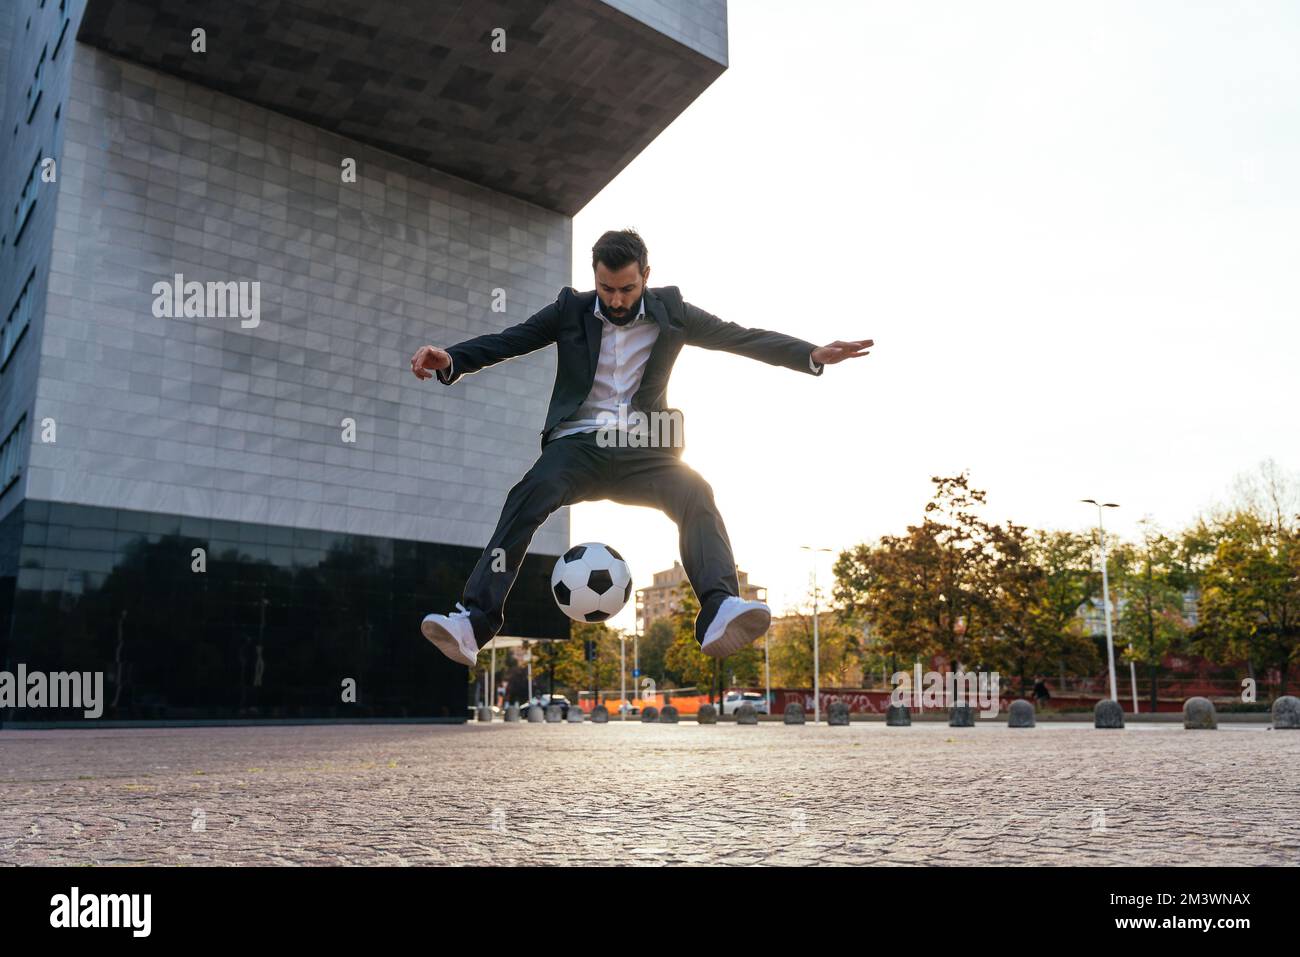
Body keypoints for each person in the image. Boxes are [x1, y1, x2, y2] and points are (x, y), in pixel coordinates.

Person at [410, 228, 873, 665]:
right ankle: (474, 620)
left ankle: (719, 609)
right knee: (526, 496)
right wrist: (453, 359)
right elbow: (511, 340)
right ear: (595, 278)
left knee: (695, 491)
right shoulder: (570, 309)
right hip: (577, 447)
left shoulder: (673, 312)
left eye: (626, 289)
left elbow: (738, 336)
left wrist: (809, 354)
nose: (615, 300)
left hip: (645, 446)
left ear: (645, 278)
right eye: (606, 288)